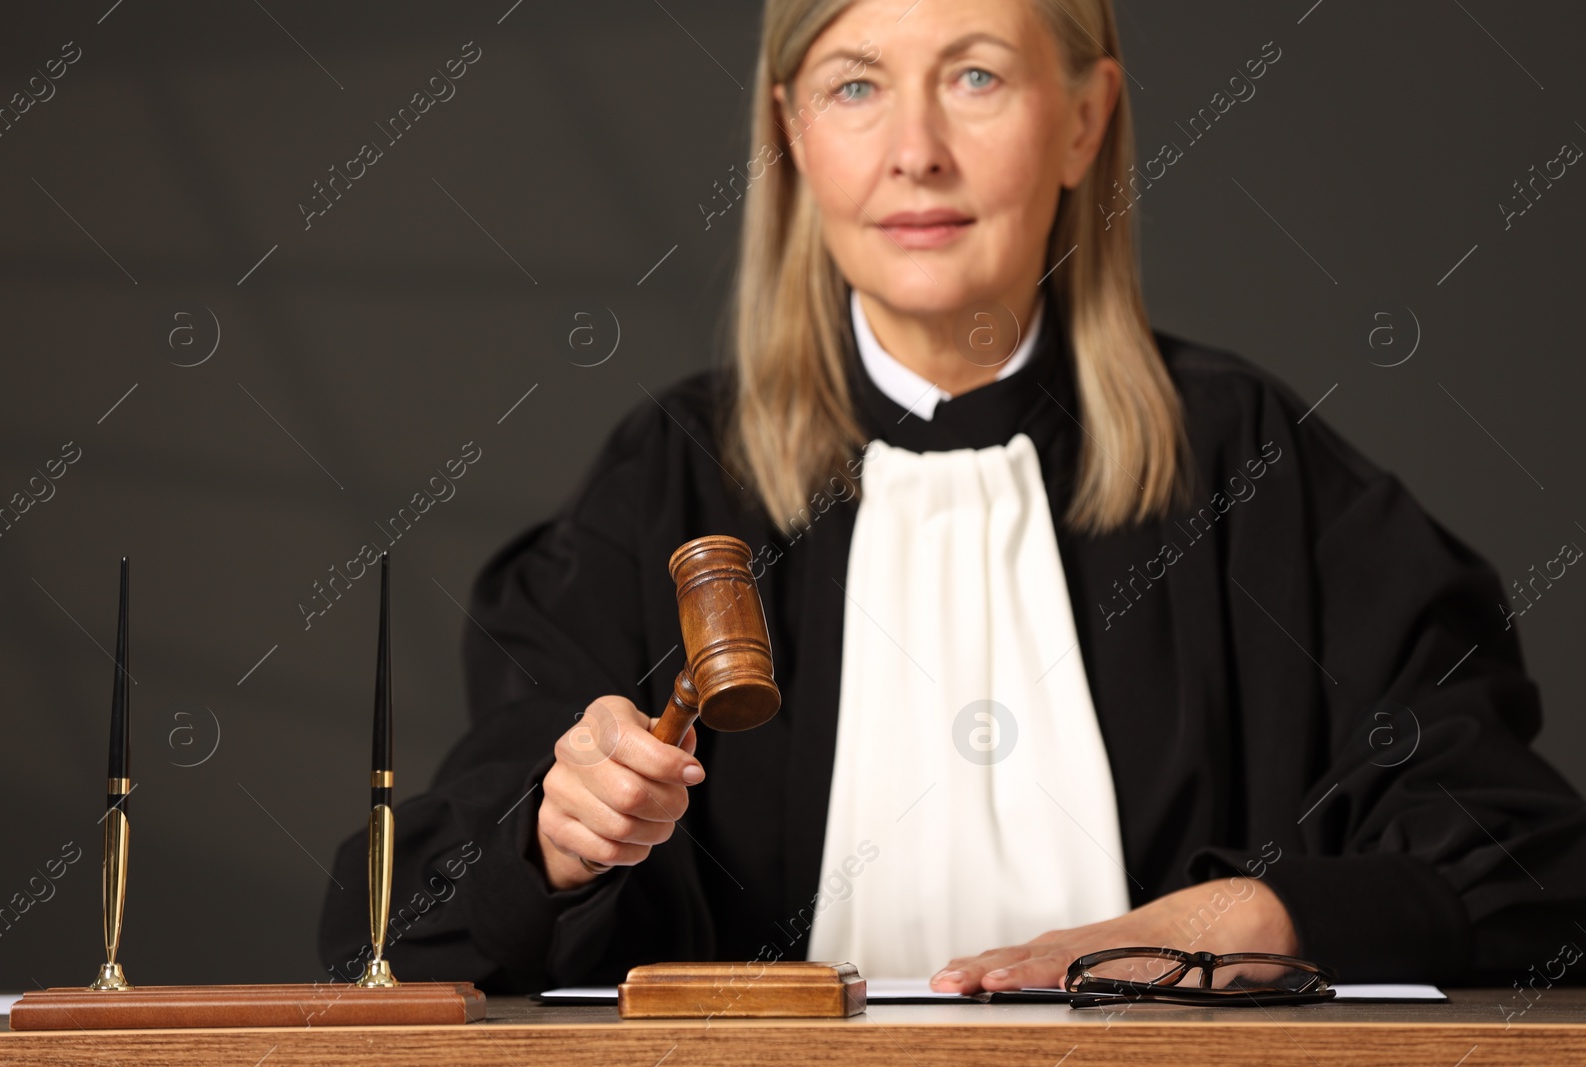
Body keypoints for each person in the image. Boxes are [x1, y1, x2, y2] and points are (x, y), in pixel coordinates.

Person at [319, 0, 1586, 994]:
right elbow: (398, 916)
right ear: (790, 133)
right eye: (854, 84)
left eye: (976, 75)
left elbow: (1531, 859)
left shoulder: (1247, 464)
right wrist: (556, 836)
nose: (914, 152)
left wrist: (1254, 917)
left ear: (1085, 118)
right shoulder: (674, 479)